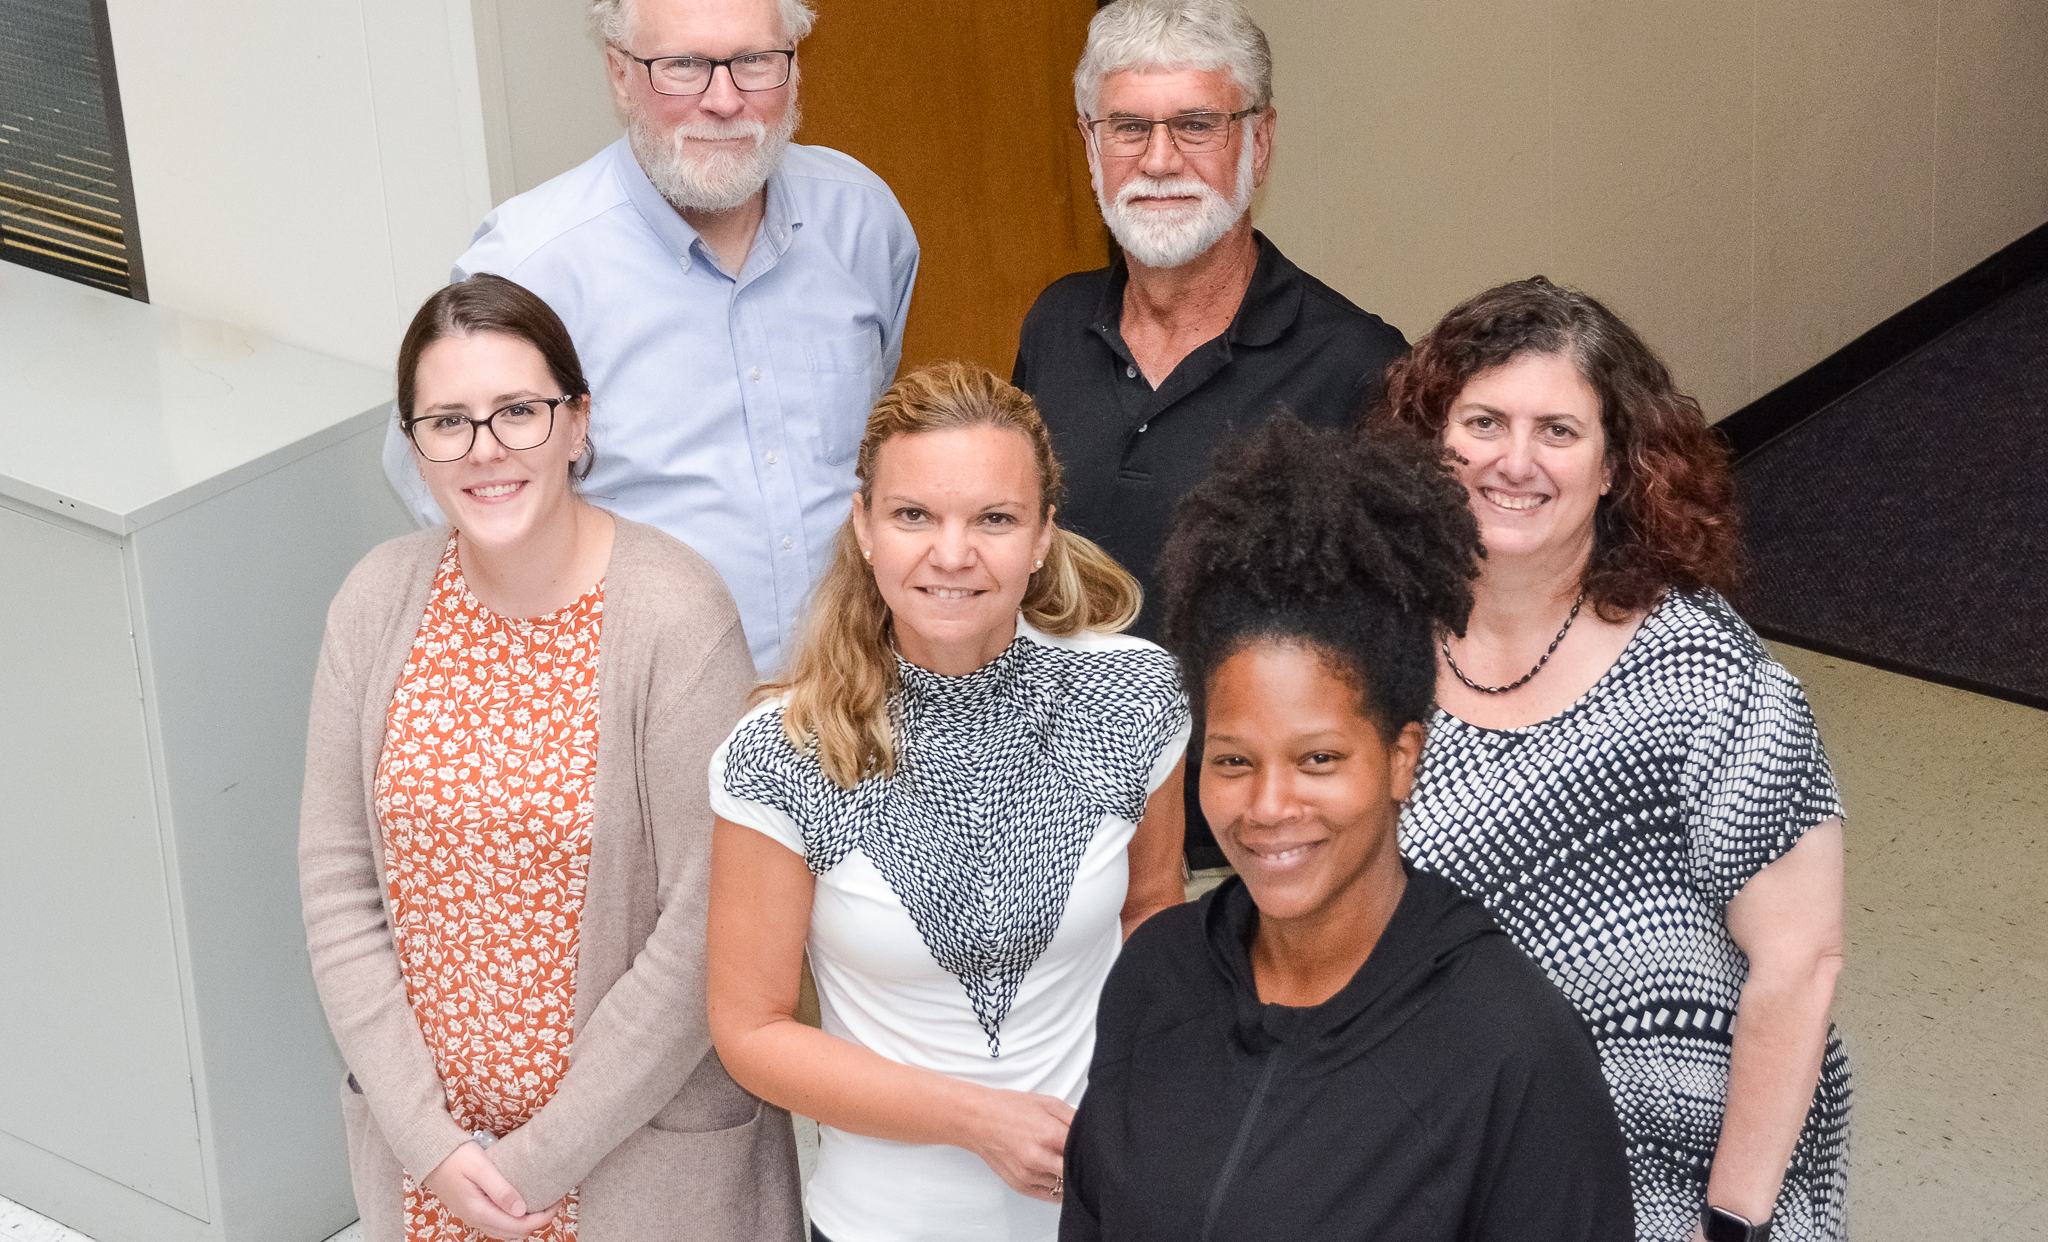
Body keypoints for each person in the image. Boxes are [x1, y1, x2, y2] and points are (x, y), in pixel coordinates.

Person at [304, 275, 800, 1242]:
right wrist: (435, 1147)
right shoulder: (375, 602)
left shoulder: (674, 615)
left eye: (518, 413)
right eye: (448, 421)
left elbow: (708, 920)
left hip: (637, 1167)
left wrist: (532, 1164)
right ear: (415, 447)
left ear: (578, 421)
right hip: (431, 1172)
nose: (485, 449)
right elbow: (336, 883)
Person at [1061, 413, 1635, 1241]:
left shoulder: (1513, 1049)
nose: (1267, 806)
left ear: (1403, 757)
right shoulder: (1158, 976)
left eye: (1319, 759)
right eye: (1231, 761)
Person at [1381, 278, 1849, 1242]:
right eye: (1483, 421)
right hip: (1456, 1159)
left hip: (1685, 1166)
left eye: (1559, 429)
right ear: (1433, 442)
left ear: (1614, 467)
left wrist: (1733, 1220)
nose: (1513, 461)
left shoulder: (1705, 675)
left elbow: (1800, 963)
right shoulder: (1369, 651)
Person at [704, 362, 1190, 1242]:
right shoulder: (781, 750)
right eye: (913, 515)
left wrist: (1141, 1094)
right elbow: (751, 1029)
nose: (953, 552)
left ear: (1044, 533)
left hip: (1110, 1210)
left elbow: (1154, 909)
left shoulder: (1134, 697)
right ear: (864, 527)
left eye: (994, 518)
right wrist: (978, 1119)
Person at [382, 0, 920, 675]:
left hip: (858, 699)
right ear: (619, 72)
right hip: (645, 719)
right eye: (684, 66)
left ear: (795, 65)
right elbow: (435, 473)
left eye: (755, 61)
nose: (725, 99)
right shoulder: (533, 268)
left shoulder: (862, 220)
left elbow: (880, 419)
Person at [1011, 0, 1404, 865]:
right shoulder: (1053, 326)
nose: (1158, 160)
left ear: (1258, 143)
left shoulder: (1357, 364)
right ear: (1090, 145)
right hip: (1054, 829)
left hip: (1248, 854)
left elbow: (1399, 640)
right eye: (1128, 127)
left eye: (1196, 125)